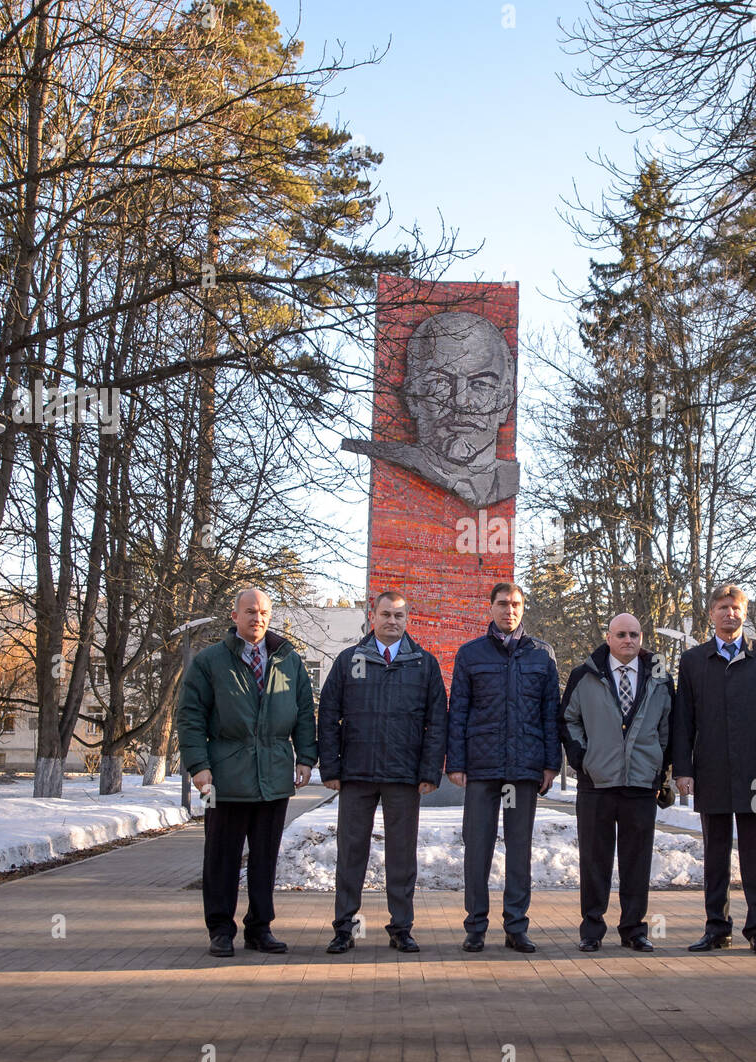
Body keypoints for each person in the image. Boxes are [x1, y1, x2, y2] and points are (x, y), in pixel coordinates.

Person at [177, 587, 316, 958]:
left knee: (265, 859)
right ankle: (220, 930)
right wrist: (199, 767)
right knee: (220, 857)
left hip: (273, 778)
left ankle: (260, 928)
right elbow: (190, 717)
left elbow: (304, 712)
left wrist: (306, 757)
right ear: (234, 615)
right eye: (250, 611)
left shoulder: (288, 660)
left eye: (264, 612)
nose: (258, 618)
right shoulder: (210, 662)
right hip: (222, 780)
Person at [318, 591, 447, 954]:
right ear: (372, 616)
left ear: (408, 619)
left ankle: (401, 928)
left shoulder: (424, 664)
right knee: (351, 853)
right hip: (356, 773)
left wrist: (429, 771)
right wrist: (330, 766)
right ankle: (346, 928)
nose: (393, 621)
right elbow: (328, 715)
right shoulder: (349, 661)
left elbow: (437, 723)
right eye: (386, 614)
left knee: (402, 856)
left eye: (400, 615)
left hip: (404, 777)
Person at [671, 584, 756, 956]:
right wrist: (683, 769)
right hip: (712, 770)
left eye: (736, 607)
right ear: (711, 614)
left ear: (745, 612)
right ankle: (716, 927)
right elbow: (683, 721)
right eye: (723, 607)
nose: (730, 614)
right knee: (716, 855)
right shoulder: (693, 661)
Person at [447, 582, 560, 952]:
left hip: (523, 772)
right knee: (476, 848)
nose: (508, 610)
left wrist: (550, 764)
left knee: (519, 849)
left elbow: (550, 715)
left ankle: (516, 926)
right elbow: (458, 711)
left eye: (515, 604)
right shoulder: (471, 654)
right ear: (490, 608)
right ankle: (475, 927)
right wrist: (457, 762)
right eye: (501, 604)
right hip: (482, 770)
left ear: (523, 608)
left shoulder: (542, 655)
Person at [559, 613, 674, 953]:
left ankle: (634, 930)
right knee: (595, 859)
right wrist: (583, 759)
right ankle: (591, 929)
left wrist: (659, 766)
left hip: (640, 783)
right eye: (621, 634)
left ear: (642, 638)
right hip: (597, 783)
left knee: (637, 860)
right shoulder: (585, 675)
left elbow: (669, 726)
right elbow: (568, 719)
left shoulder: (659, 676)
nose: (628, 640)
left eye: (635, 635)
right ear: (608, 637)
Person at [341, 311, 518, 508]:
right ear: (412, 397)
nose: (460, 401)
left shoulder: (507, 480)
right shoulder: (394, 463)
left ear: (504, 402)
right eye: (440, 382)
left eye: (480, 384)